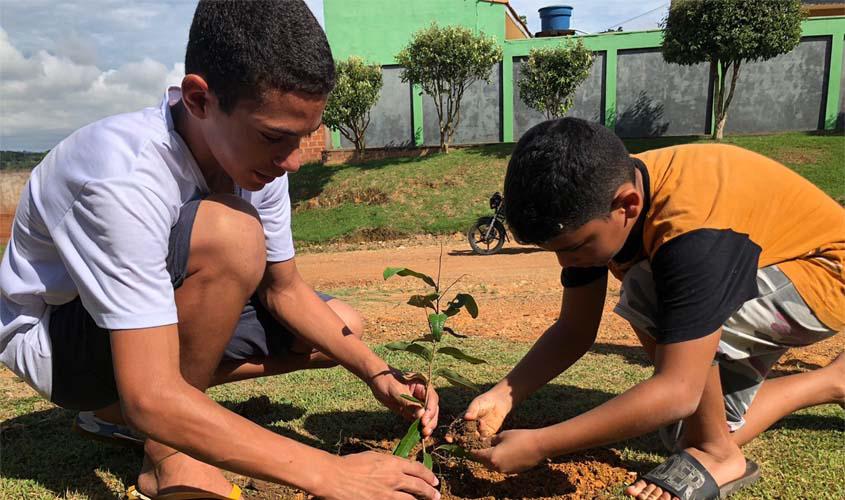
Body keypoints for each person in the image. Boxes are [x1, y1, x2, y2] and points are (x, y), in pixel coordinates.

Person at [0, 1, 442, 499]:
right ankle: (166, 452)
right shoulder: (121, 177)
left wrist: (378, 374)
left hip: (144, 320)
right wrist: (331, 473)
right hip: (59, 341)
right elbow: (152, 396)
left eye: (303, 136)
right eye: (276, 137)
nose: (293, 161)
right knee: (230, 234)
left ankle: (117, 415)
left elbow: (285, 290)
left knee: (341, 329)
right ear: (198, 99)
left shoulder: (252, 157)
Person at [462, 118, 844, 500]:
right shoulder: (598, 195)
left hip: (825, 275)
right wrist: (504, 395)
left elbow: (677, 392)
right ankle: (832, 381)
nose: (566, 263)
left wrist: (541, 444)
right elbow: (575, 330)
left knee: (647, 291)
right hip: (754, 266)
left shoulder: (690, 234)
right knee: (685, 433)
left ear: (628, 205)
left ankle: (719, 456)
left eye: (574, 248)